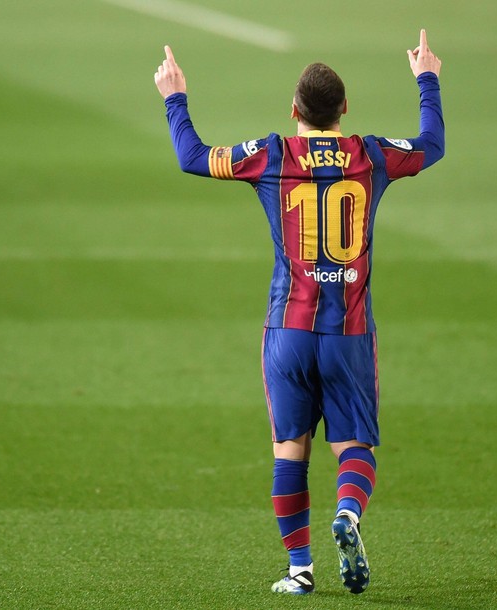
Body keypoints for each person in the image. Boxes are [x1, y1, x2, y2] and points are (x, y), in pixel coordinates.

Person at [154, 30, 444, 595]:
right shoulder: (371, 155)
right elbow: (431, 145)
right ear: (344, 110)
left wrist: (174, 97)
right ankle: (348, 515)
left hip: (287, 330)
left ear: (294, 111)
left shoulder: (272, 154)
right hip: (350, 333)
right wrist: (427, 79)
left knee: (290, 448)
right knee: (353, 445)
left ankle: (299, 570)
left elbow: (192, 157)